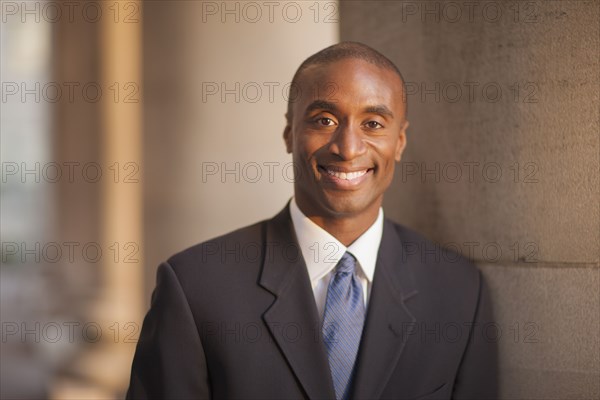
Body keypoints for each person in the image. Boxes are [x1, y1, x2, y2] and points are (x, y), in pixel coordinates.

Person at [126, 42, 498, 400]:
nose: (348, 147)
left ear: (399, 141)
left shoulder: (459, 292)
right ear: (290, 133)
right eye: (325, 119)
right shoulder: (195, 287)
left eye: (372, 123)